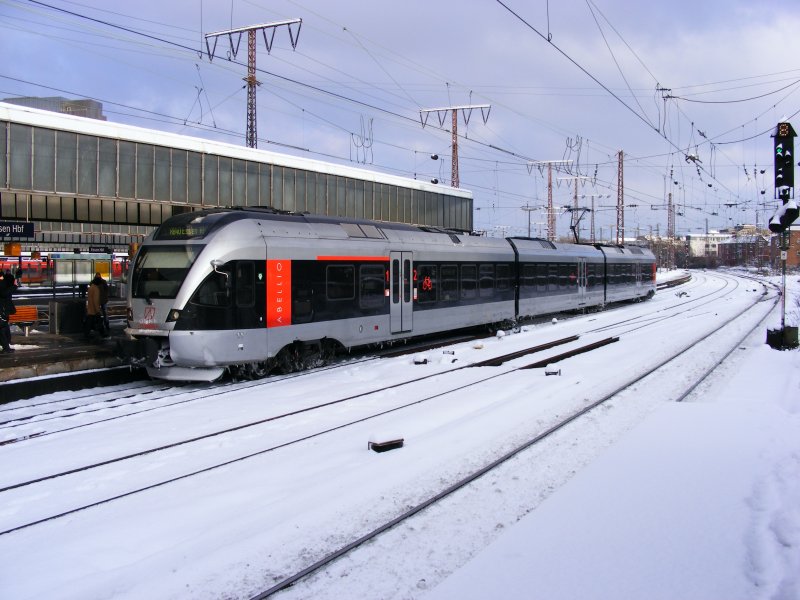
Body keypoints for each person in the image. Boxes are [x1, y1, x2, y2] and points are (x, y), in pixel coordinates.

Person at [85, 273, 106, 339]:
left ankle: (87, 334)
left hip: (90, 308)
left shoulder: (91, 287)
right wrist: (98, 310)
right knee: (99, 322)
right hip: (94, 309)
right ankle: (102, 333)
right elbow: (96, 300)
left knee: (89, 322)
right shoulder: (96, 289)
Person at [0, 272, 15, 353]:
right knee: (2, 329)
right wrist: (14, 286)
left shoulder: (4, 285)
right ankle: (6, 347)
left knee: (3, 329)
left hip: (3, 311)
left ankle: (6, 347)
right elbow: (4, 294)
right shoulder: (3, 285)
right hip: (2, 311)